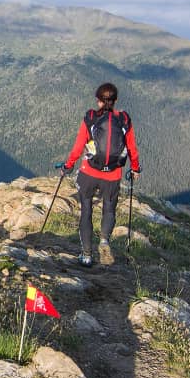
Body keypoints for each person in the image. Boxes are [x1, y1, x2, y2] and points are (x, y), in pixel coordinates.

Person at [62, 83, 141, 267]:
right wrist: (135, 168)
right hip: (112, 175)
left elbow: (78, 146)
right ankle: (104, 241)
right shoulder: (124, 120)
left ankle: (87, 255)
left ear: (98, 100)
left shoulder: (90, 118)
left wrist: (68, 165)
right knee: (109, 209)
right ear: (115, 101)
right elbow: (132, 149)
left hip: (89, 172)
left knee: (86, 211)